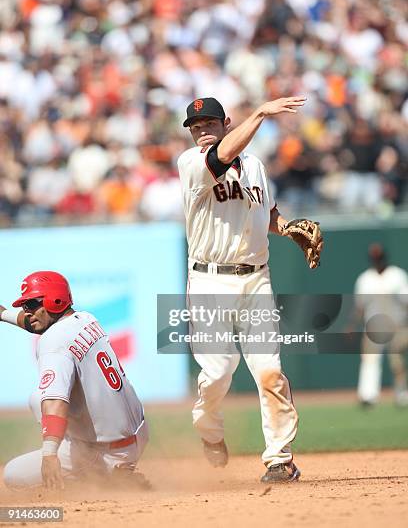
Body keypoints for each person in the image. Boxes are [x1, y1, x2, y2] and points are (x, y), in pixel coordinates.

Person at [177, 95, 321, 483]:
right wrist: (260, 113)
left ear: (225, 122)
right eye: (195, 127)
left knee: (270, 371)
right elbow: (219, 159)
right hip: (209, 279)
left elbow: (266, 210)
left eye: (208, 124)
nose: (201, 132)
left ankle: (279, 458)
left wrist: (287, 229)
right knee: (219, 372)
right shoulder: (191, 163)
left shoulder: (255, 165)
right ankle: (208, 429)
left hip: (256, 278)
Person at [0, 271, 148, 489]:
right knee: (36, 398)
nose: (27, 312)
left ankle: (107, 477)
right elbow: (35, 322)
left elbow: (55, 401)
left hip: (107, 453)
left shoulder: (53, 342)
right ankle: (101, 463)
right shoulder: (86, 319)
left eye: (31, 304)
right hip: (138, 434)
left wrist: (50, 455)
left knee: (14, 475)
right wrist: (3, 314)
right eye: (25, 307)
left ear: (55, 300)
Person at [354, 244, 408, 407]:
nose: (378, 261)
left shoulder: (397, 275)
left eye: (379, 257)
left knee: (397, 362)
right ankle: (368, 396)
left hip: (397, 324)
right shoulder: (365, 279)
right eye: (375, 258)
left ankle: (401, 394)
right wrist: (352, 324)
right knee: (370, 361)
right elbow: (360, 307)